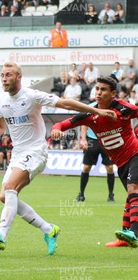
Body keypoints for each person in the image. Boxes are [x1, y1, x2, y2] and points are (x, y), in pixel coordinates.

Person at [0, 62, 116, 254]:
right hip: (18, 154)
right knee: (5, 196)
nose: (4, 79)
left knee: (10, 189)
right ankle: (49, 229)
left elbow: (65, 103)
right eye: (2, 75)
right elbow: (0, 126)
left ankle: (1, 235)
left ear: (19, 77)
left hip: (36, 151)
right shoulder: (1, 101)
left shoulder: (32, 96)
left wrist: (97, 110)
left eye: (8, 75)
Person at [51, 76, 138, 247]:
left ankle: (134, 233)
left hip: (135, 154)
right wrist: (55, 130)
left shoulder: (123, 108)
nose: (98, 92)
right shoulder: (90, 114)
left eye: (103, 89)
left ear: (113, 93)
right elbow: (62, 124)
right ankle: (125, 238)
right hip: (120, 163)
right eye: (97, 89)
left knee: (133, 189)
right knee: (131, 196)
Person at [74, 126, 115, 203]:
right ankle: (81, 194)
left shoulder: (108, 113)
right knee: (86, 167)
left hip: (106, 139)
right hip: (92, 140)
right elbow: (84, 125)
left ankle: (110, 195)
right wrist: (83, 139)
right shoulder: (91, 113)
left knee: (110, 167)